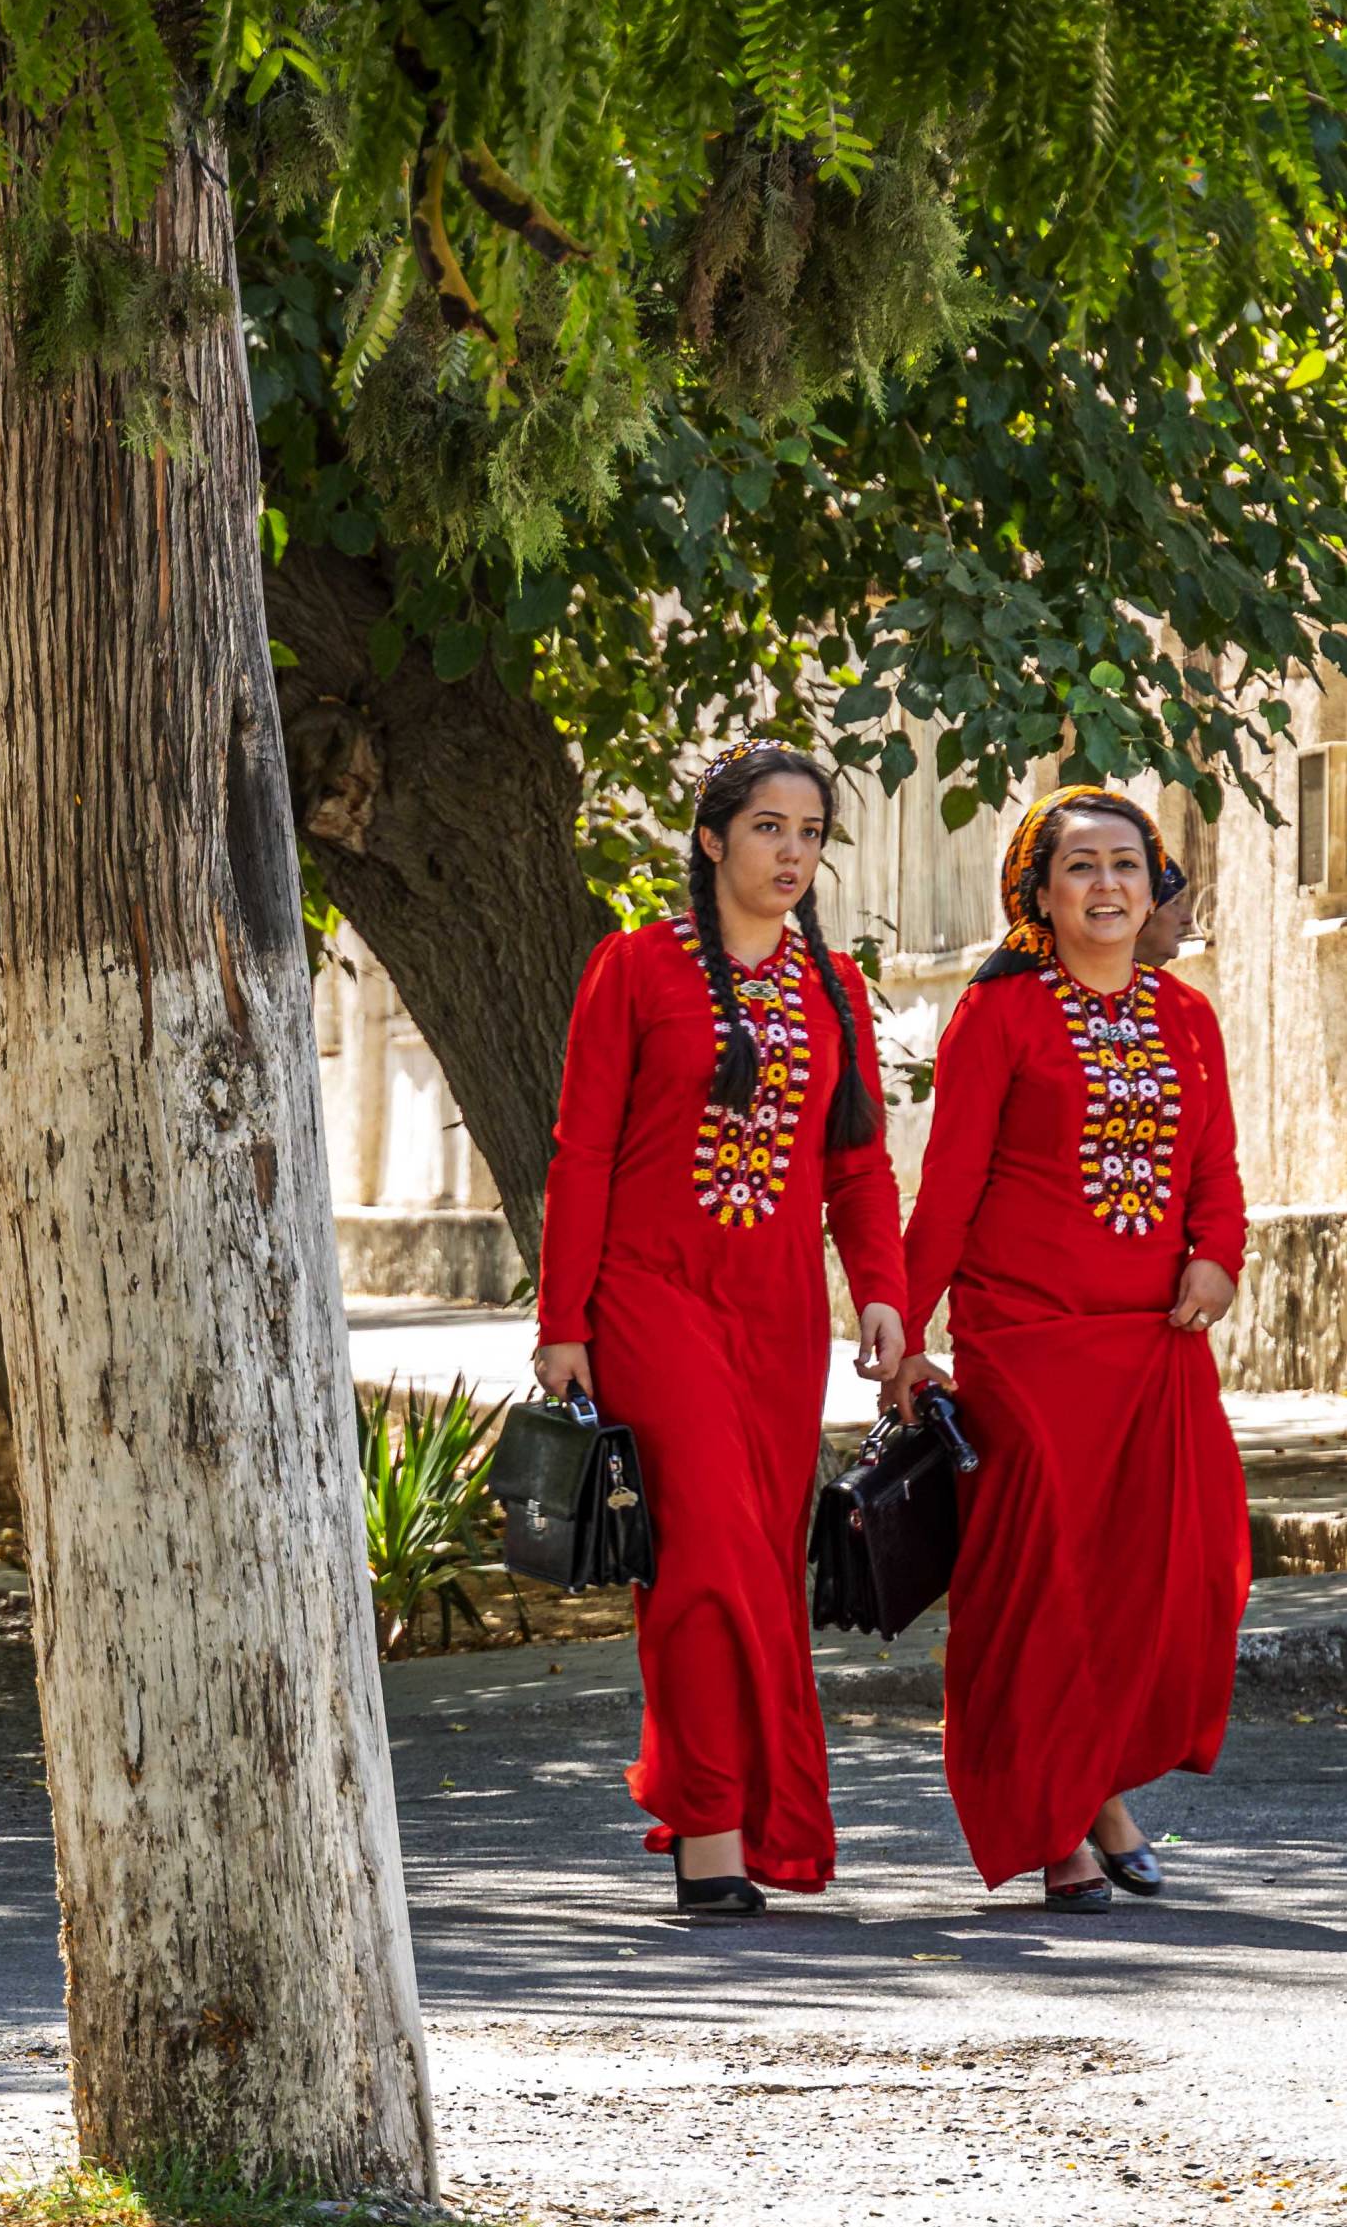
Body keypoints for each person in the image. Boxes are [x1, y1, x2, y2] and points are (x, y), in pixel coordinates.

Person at [534, 741, 906, 1916]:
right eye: (766, 828)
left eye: (811, 833)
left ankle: (757, 1814)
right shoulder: (635, 965)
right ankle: (707, 1828)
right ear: (710, 838)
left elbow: (856, 1166)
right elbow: (582, 1151)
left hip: (780, 1317)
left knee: (762, 1562)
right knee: (698, 1554)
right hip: (652, 1298)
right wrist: (561, 1318)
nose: (792, 852)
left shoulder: (834, 987)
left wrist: (882, 1291)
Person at [888, 788, 1248, 1911]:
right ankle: (1061, 1827)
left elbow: (1216, 1167)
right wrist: (904, 1328)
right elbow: (949, 1186)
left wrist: (1217, 1256)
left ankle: (1094, 1787)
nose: (1106, 885)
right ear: (1038, 895)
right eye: (1081, 866)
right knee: (1043, 1584)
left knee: (1170, 1577)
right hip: (1025, 1340)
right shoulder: (997, 1014)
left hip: (1152, 1343)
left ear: (1153, 886)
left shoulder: (1186, 1016)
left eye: (1126, 865)